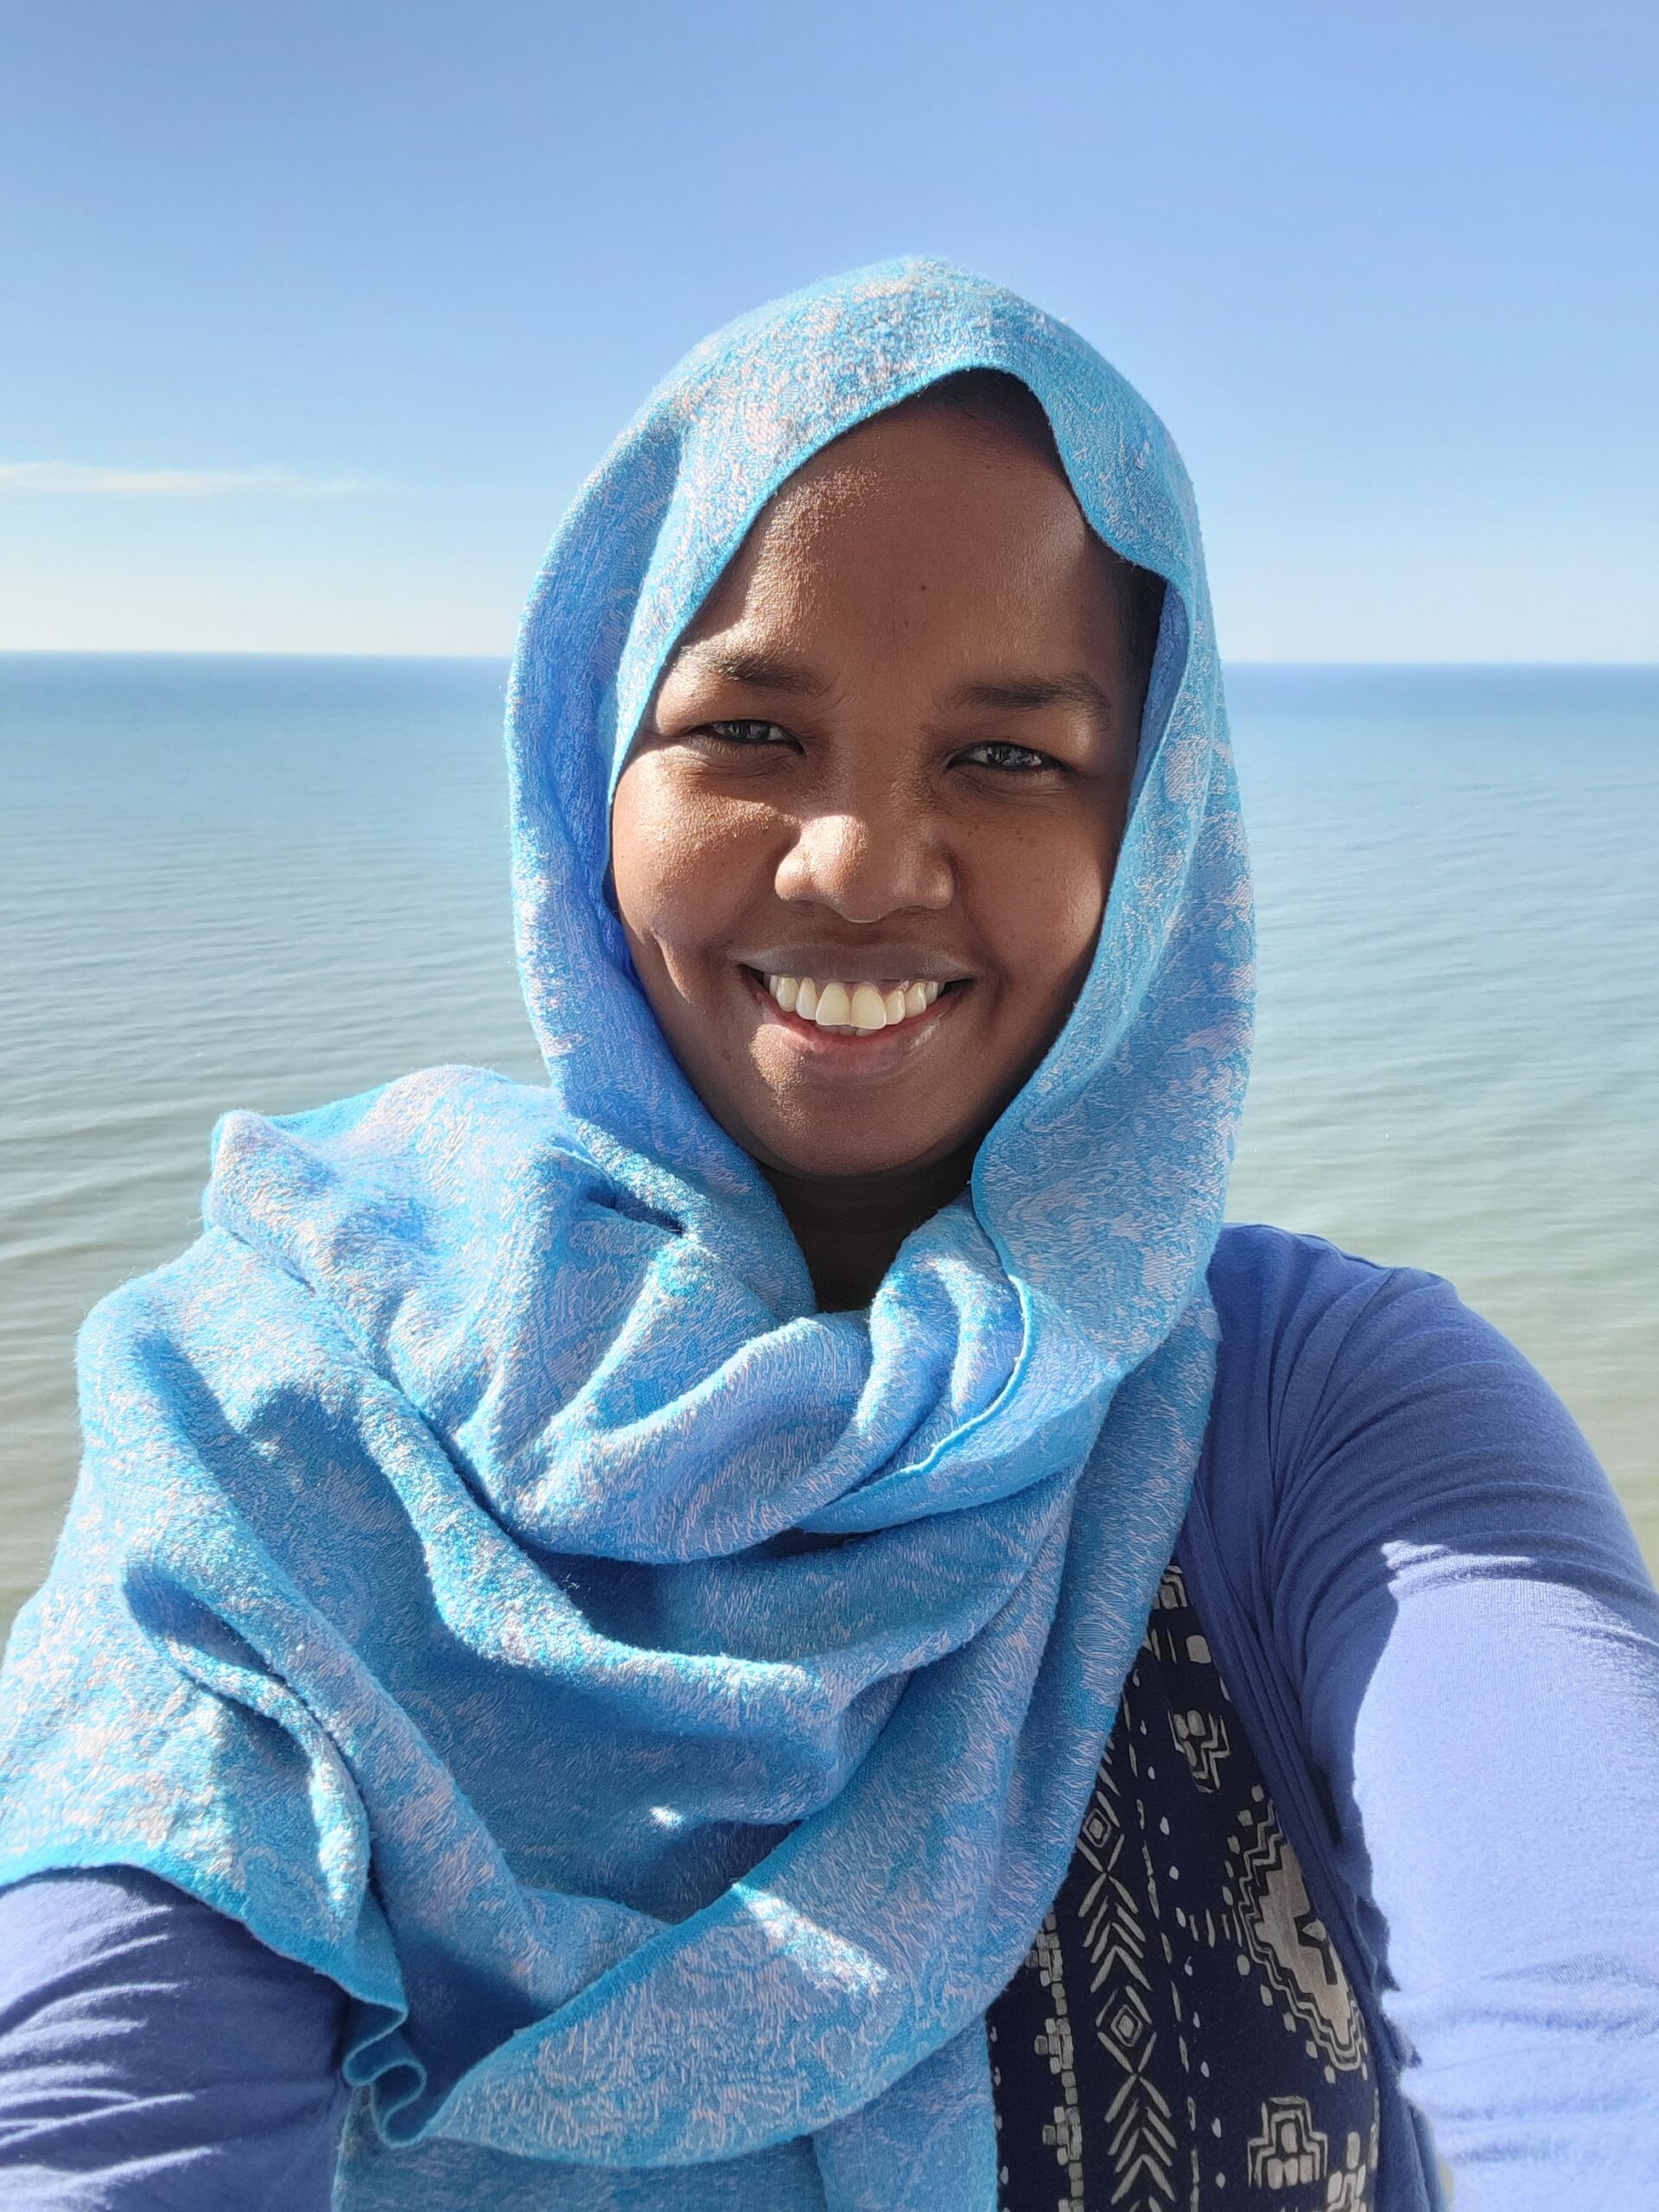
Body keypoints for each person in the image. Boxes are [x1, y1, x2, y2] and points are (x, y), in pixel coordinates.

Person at [0, 259, 1655, 2212]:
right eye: (751, 735)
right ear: (586, 779)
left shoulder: (1325, 1423)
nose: (860, 860)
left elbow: (1594, 2030)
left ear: (1157, 836)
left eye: (1011, 754)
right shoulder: (284, 1410)